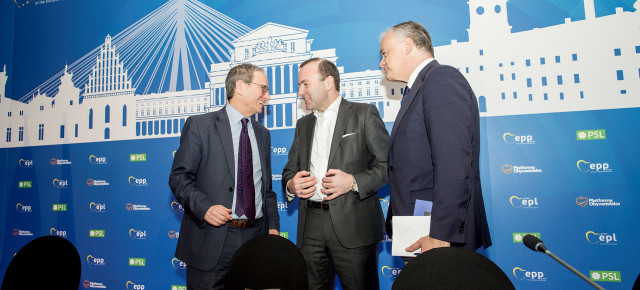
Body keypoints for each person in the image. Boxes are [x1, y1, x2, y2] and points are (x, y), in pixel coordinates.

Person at [379, 21, 492, 253]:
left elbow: (453, 164)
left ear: (407, 45)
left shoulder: (441, 79)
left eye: (384, 53)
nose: (381, 63)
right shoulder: (418, 89)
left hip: (437, 236)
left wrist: (441, 234)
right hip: (418, 228)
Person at [169, 63, 280, 289]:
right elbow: (179, 178)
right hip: (213, 238)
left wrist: (273, 227)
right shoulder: (200, 126)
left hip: (255, 239)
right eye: (263, 88)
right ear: (240, 86)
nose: (267, 96)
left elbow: (265, 188)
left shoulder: (263, 134)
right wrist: (205, 208)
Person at [282, 58, 389, 290]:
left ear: (328, 82)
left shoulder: (363, 114)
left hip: (354, 227)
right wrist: (292, 185)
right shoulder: (303, 125)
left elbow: (388, 166)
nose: (300, 92)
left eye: (305, 84)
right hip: (310, 227)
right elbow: (290, 170)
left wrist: (352, 181)